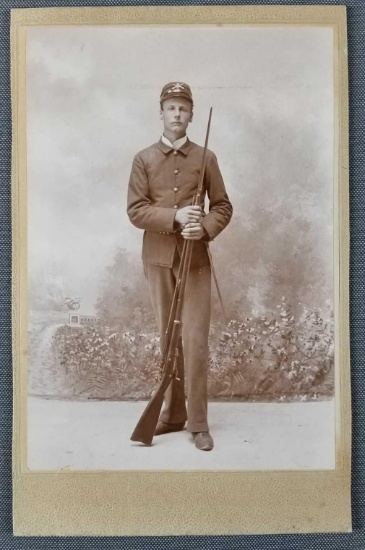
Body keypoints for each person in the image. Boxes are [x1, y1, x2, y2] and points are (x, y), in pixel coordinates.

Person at [127, 82, 232, 451]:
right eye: (170, 108)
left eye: (183, 108)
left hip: (196, 261)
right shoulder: (143, 158)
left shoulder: (207, 158)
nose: (177, 114)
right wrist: (175, 216)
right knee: (168, 339)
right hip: (157, 259)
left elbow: (222, 206)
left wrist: (201, 225)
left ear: (191, 115)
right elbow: (136, 211)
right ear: (161, 113)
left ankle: (198, 422)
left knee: (195, 339)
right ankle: (172, 415)